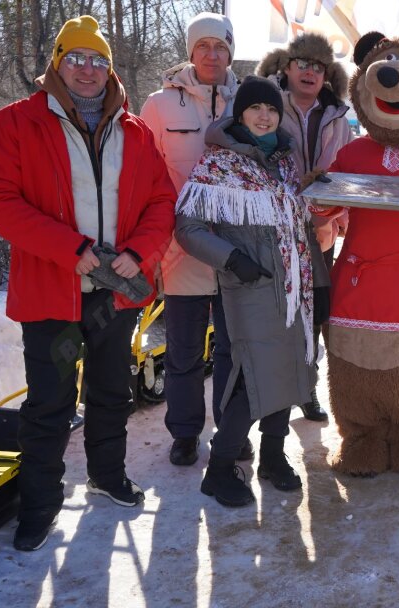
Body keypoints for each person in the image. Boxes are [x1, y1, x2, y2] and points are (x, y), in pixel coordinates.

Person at [0, 15, 176, 551]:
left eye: (98, 60)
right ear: (57, 63)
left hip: (114, 297)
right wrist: (74, 251)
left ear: (109, 69)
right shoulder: (17, 123)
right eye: (76, 58)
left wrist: (139, 253)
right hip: (53, 298)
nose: (87, 70)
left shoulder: (133, 132)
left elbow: (162, 201)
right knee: (51, 401)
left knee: (112, 391)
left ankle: (107, 476)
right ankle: (39, 503)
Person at [174, 76, 330, 507]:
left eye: (272, 110)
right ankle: (221, 468)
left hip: (296, 290)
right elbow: (187, 229)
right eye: (256, 108)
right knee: (249, 379)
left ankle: (273, 458)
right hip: (250, 287)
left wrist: (321, 282)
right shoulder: (217, 163)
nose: (265, 116)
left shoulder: (283, 163)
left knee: (291, 371)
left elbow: (300, 229)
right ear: (239, 114)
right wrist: (232, 259)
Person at [140, 12, 242, 467]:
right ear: (190, 50)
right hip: (183, 249)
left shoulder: (251, 100)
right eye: (203, 45)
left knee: (233, 349)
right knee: (183, 350)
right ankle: (184, 433)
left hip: (239, 248)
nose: (212, 54)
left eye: (220, 46)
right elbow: (144, 174)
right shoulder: (160, 104)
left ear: (230, 52)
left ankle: (231, 431)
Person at [256, 32, 354, 422]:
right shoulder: (268, 105)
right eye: (303, 64)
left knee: (314, 315)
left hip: (320, 232)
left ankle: (306, 390)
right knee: (280, 315)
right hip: (275, 232)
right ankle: (272, 397)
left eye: (319, 66)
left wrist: (340, 216)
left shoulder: (337, 115)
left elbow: (345, 171)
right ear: (287, 66)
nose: (310, 72)